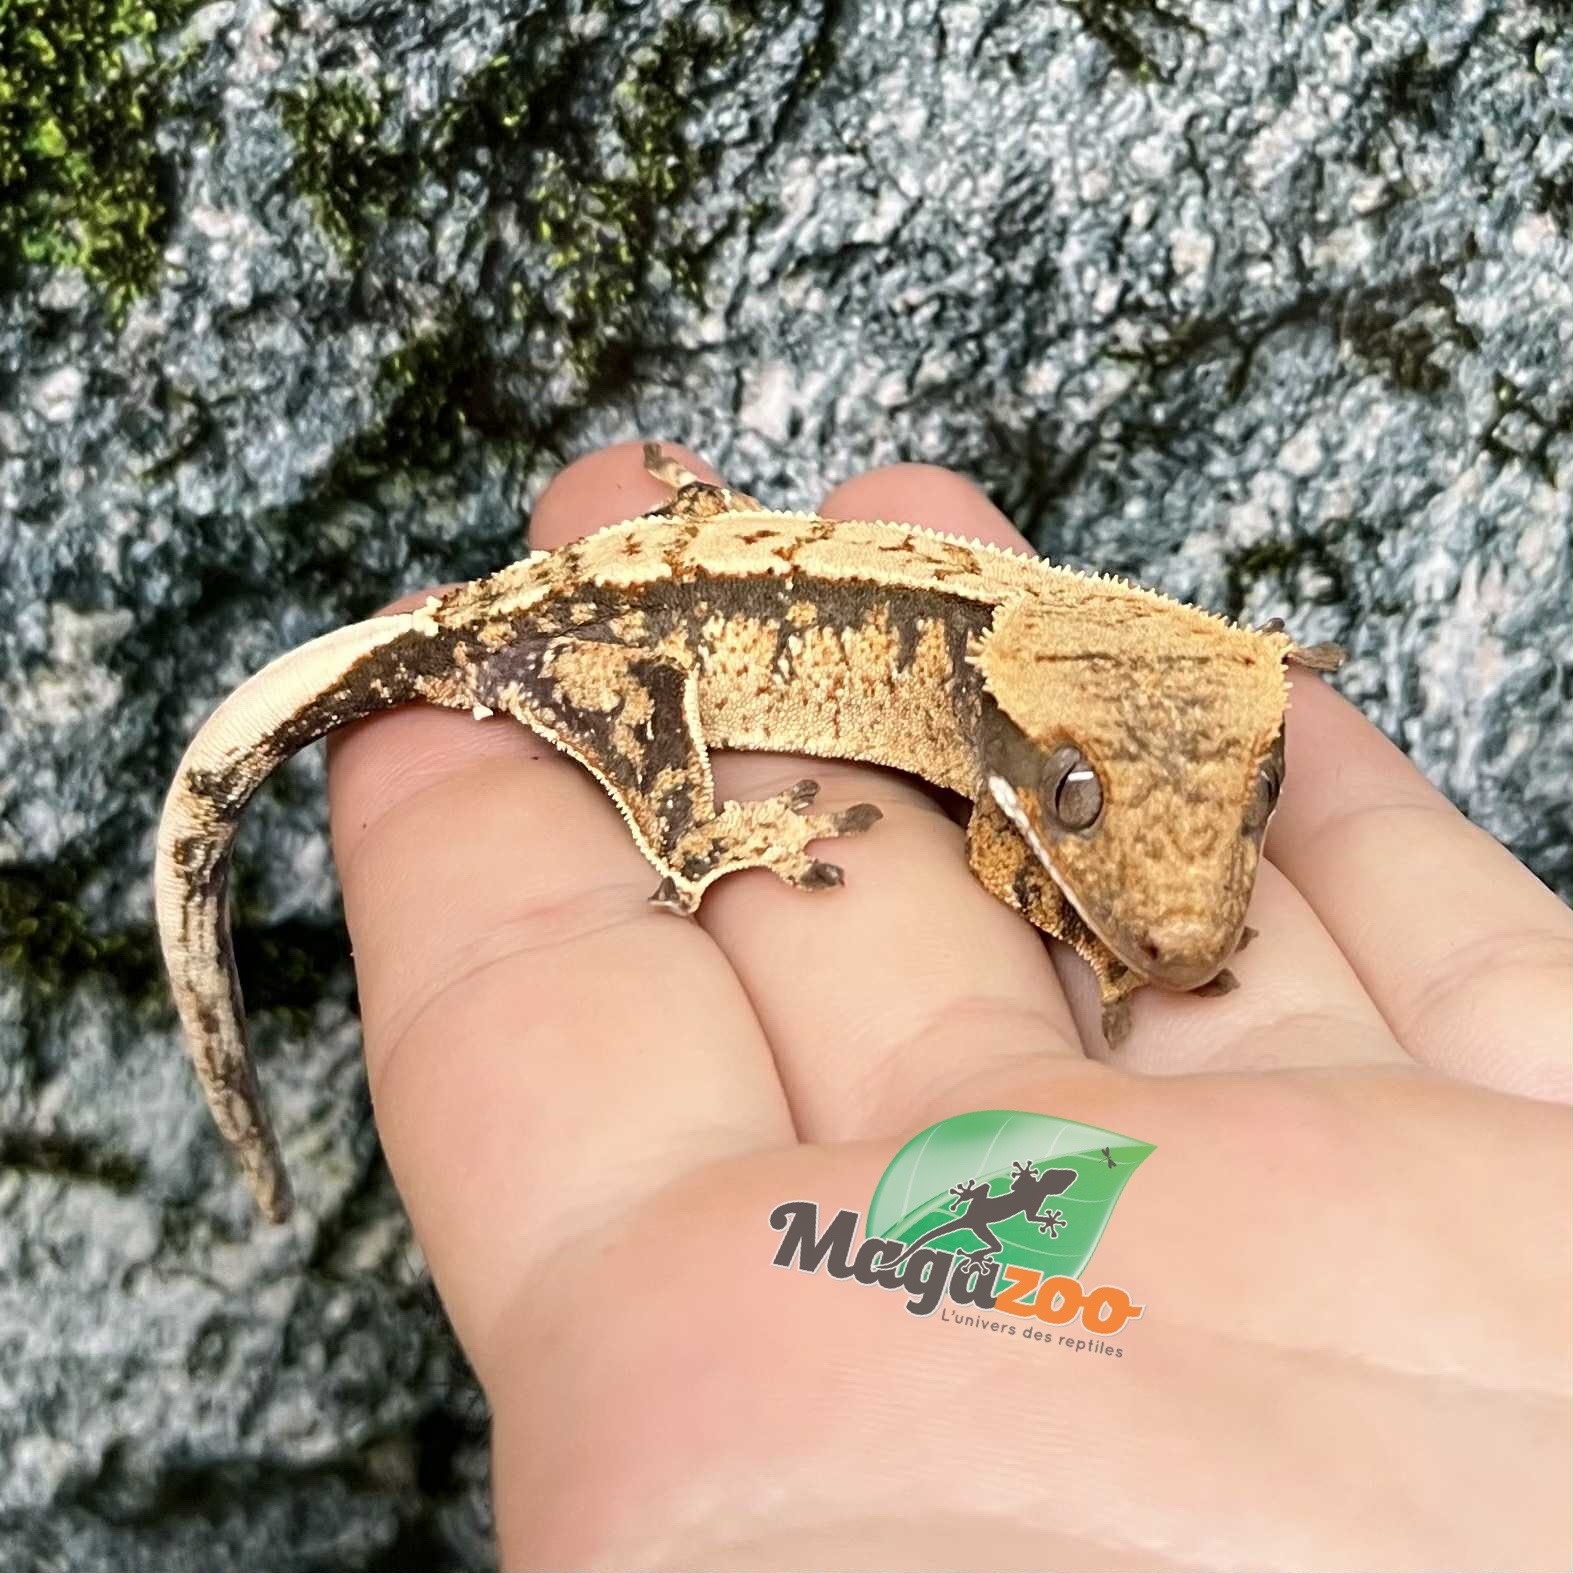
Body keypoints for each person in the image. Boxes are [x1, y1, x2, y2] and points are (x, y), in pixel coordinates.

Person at [325, 441, 1571, 1570]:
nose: (1183, 937)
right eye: (1074, 799)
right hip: (589, 635)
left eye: (1245, 805)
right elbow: (992, 846)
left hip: (697, 582)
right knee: (669, 737)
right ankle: (698, 840)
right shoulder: (1008, 700)